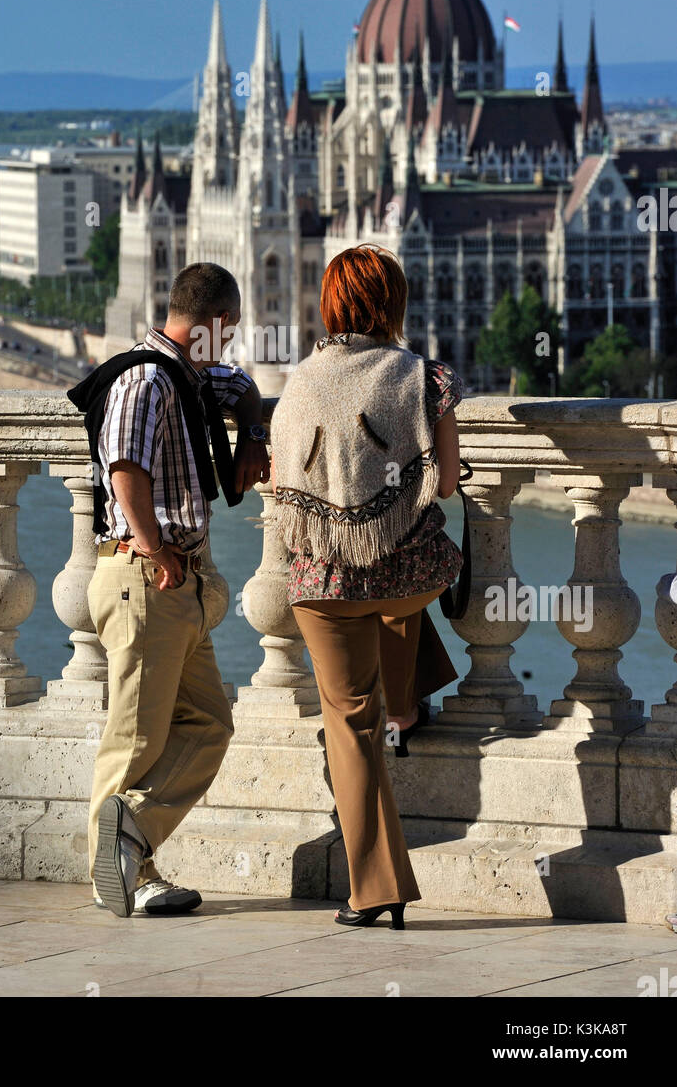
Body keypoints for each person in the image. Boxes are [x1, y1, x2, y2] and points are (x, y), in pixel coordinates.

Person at [270, 244, 463, 929]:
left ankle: (375, 888)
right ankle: (408, 700)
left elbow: (283, 485)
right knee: (403, 600)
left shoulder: (298, 383)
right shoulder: (424, 377)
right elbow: (445, 482)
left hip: (323, 582)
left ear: (329, 306)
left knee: (350, 725)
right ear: (393, 306)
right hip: (406, 575)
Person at [84, 263, 269, 917]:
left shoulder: (188, 375)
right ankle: (126, 876)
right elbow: (124, 469)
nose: (233, 343)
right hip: (146, 578)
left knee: (208, 725)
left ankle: (129, 838)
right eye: (232, 330)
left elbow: (238, 385)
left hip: (178, 585)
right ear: (214, 323)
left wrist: (250, 430)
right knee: (134, 739)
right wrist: (154, 547)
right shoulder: (143, 379)